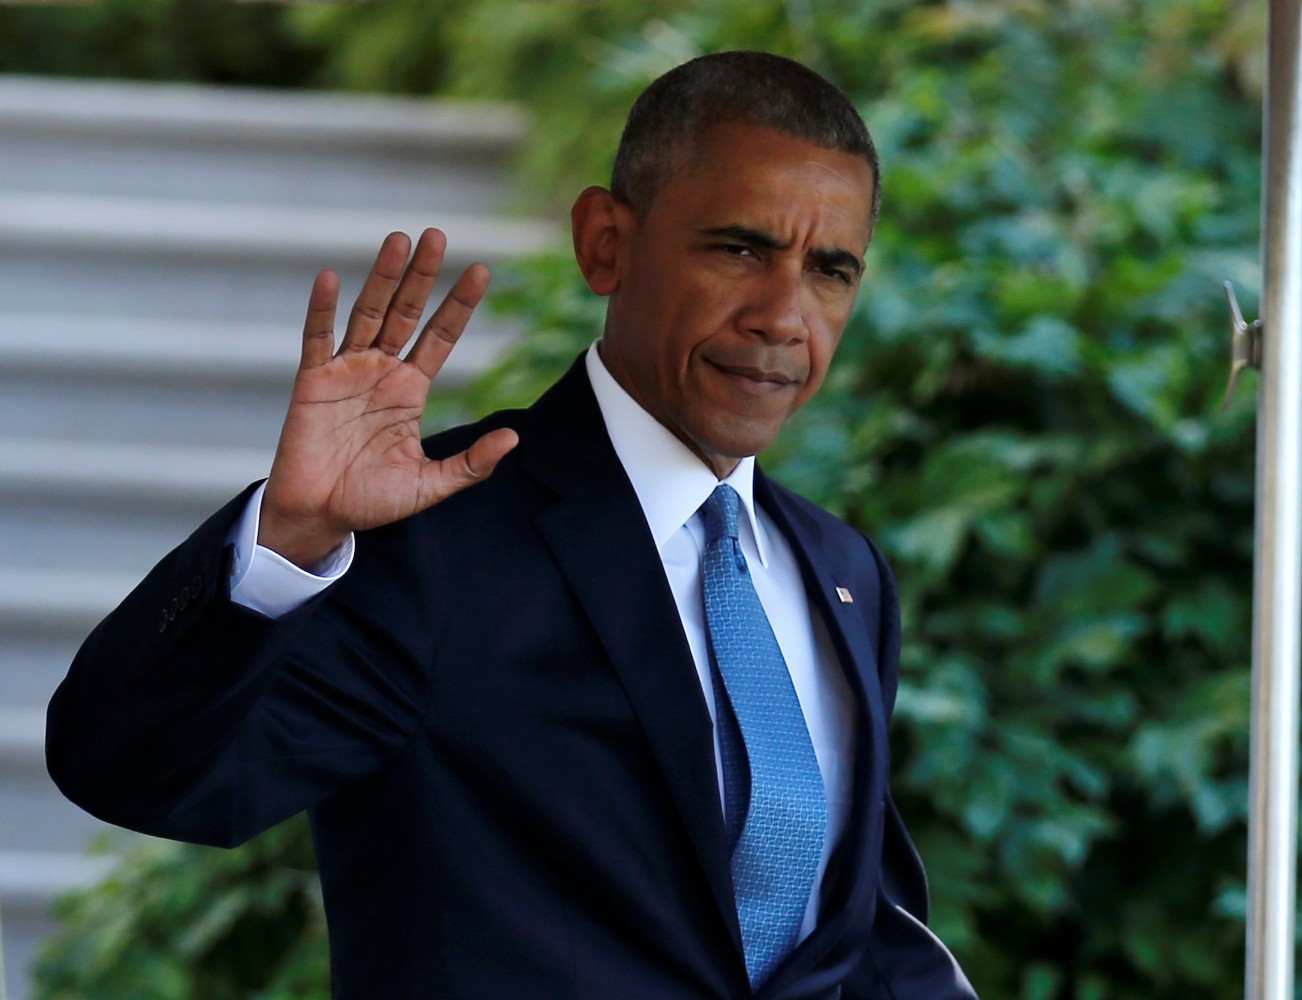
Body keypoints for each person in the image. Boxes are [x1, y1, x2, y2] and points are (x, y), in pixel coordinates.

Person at [47, 51, 977, 1000]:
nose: (785, 315)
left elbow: (856, 935)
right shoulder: (433, 539)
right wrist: (286, 543)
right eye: (739, 249)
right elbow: (136, 774)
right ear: (605, 242)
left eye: (830, 270)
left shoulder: (841, 568)